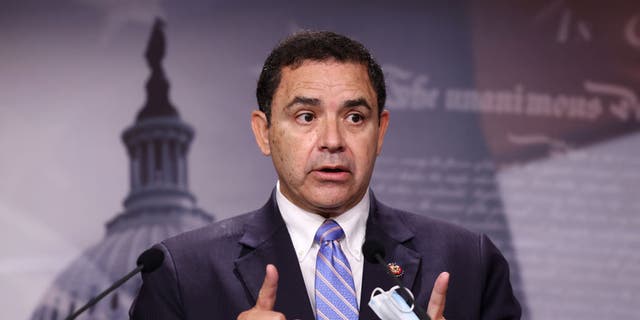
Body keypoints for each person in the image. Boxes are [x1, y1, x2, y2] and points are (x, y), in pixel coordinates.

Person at [130, 31, 521, 320]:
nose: (332, 140)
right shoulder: (181, 274)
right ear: (263, 132)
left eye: (355, 117)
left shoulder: (469, 262)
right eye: (306, 117)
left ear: (380, 132)